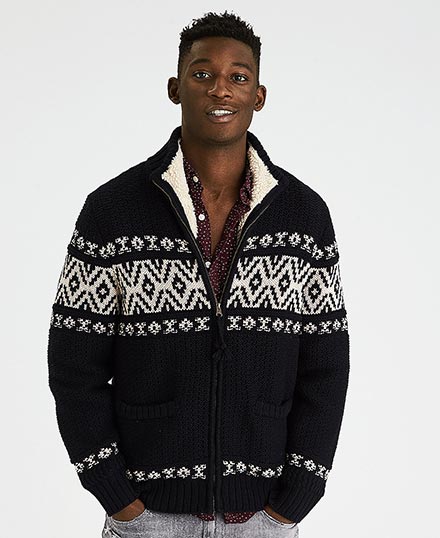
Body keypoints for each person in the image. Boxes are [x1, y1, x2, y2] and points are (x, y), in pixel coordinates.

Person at [47, 10, 350, 537]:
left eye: (239, 77)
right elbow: (74, 364)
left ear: (259, 96)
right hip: (148, 517)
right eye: (203, 73)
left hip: (262, 519)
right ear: (175, 87)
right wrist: (117, 497)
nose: (220, 89)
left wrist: (297, 497)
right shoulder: (112, 211)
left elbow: (326, 366)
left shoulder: (303, 216)